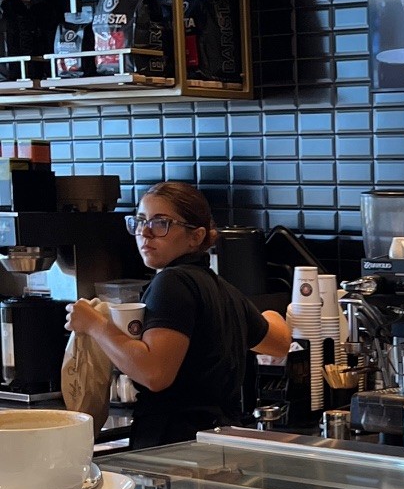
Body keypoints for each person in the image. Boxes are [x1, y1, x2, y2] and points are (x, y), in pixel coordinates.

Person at [66, 182, 290, 449]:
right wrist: (269, 315)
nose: (145, 233)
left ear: (195, 236)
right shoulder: (223, 289)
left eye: (161, 223)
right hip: (220, 445)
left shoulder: (172, 283)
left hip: (173, 450)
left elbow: (155, 374)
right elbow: (279, 343)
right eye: (139, 221)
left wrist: (95, 325)